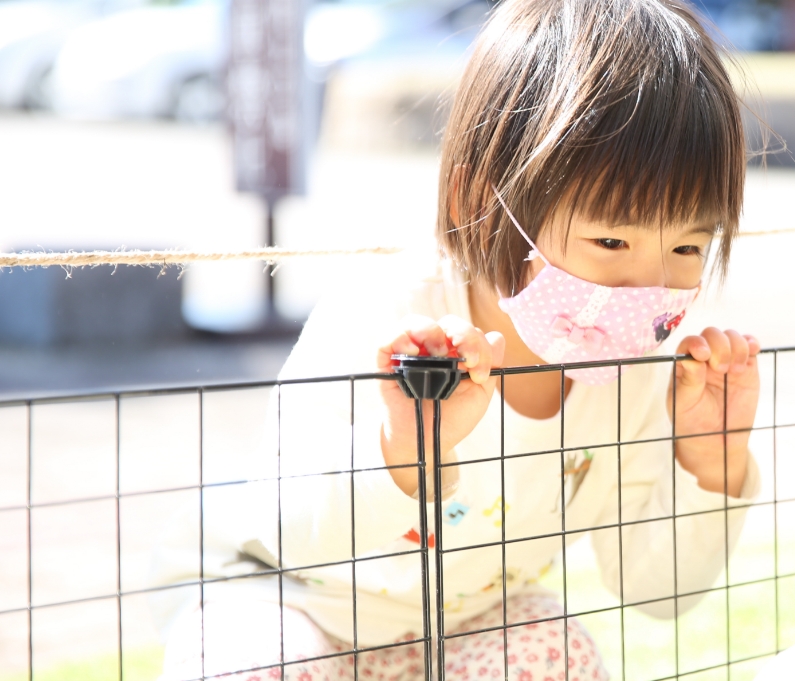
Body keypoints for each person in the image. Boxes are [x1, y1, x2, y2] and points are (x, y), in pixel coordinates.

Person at [150, 0, 762, 679]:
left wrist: (711, 465)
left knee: (555, 644)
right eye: (611, 239)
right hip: (282, 600)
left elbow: (657, 593)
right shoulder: (388, 311)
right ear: (483, 199)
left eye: (686, 246)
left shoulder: (633, 369)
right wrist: (402, 450)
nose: (647, 285)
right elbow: (293, 529)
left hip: (456, 628)